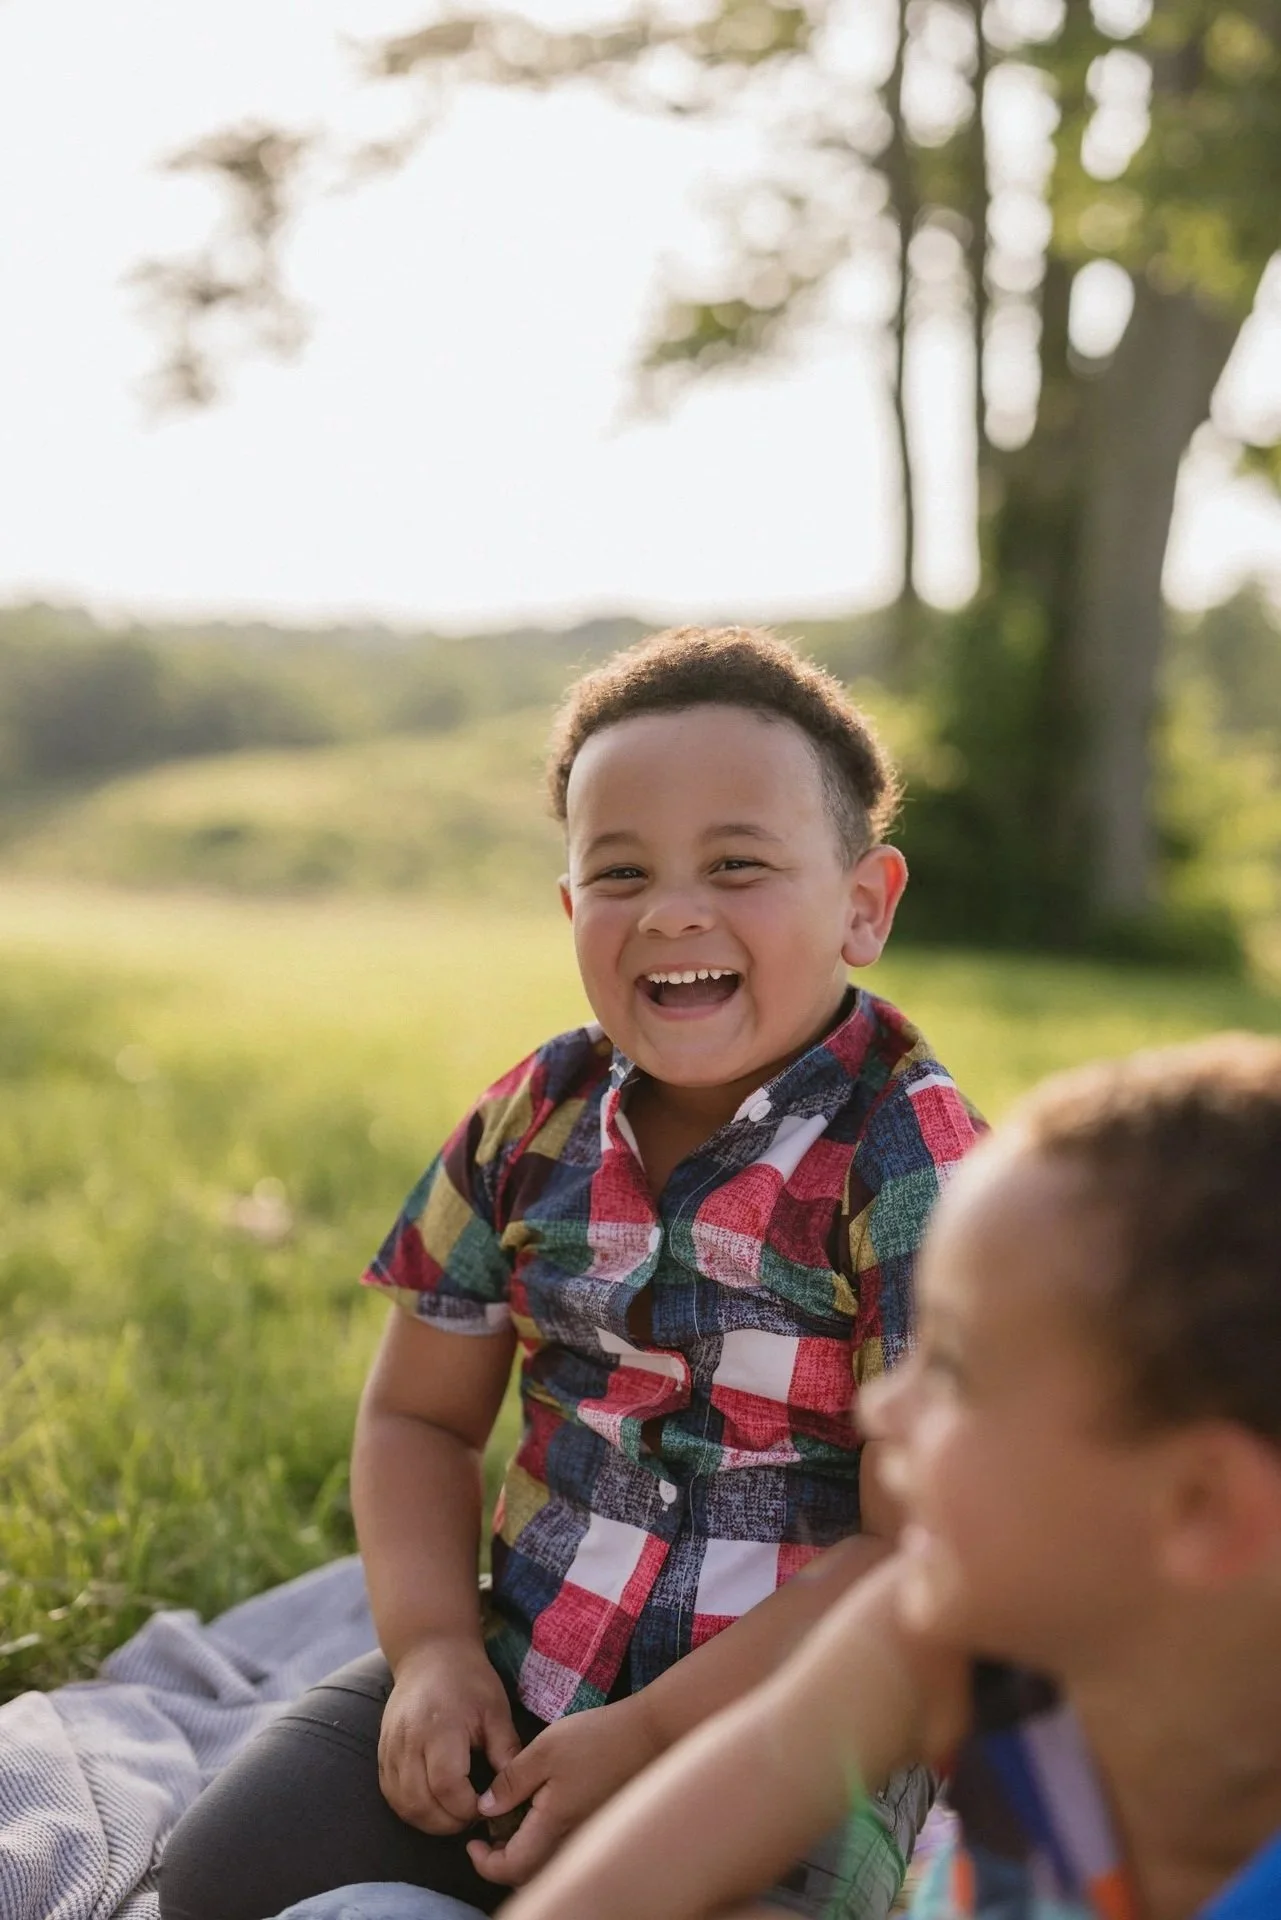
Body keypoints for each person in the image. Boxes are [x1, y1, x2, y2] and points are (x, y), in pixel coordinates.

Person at [158, 625, 982, 1920]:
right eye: (619, 872)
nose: (670, 909)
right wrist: (433, 1655)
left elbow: (907, 1552)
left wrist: (653, 1744)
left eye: (736, 864)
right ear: (570, 911)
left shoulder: (907, 1158)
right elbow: (419, 1416)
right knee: (227, 1873)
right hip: (530, 1658)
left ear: (863, 904)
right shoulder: (530, 1120)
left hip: (786, 1720)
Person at [497, 1033, 1281, 1920]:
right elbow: (630, 1878)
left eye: (950, 1371)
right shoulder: (946, 1644)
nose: (877, 1413)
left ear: (1199, 1508)